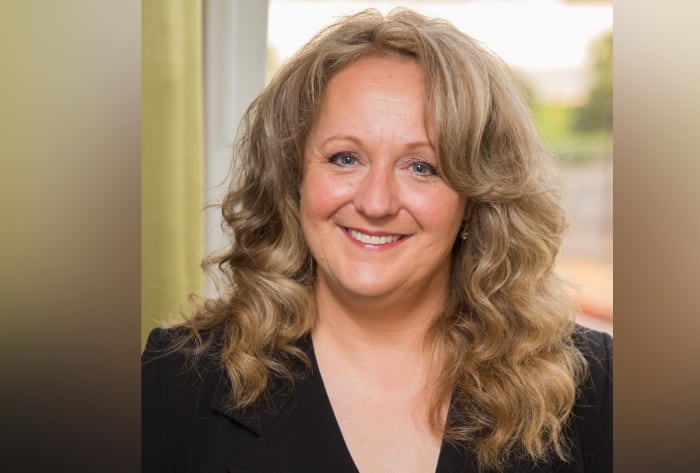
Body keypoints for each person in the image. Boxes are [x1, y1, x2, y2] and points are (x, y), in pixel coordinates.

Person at [142, 8, 612, 473]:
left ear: (477, 197)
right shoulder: (178, 381)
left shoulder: (596, 385)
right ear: (293, 177)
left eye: (422, 167)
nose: (376, 202)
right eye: (346, 158)